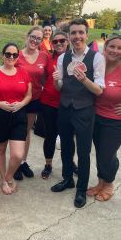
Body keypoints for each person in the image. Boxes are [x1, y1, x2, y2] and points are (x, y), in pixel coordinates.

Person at [51, 18, 105, 208]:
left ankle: (81, 188)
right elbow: (59, 88)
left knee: (83, 151)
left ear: (86, 35)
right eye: (73, 33)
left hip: (84, 110)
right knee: (66, 146)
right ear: (69, 36)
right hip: (65, 108)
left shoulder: (97, 58)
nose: (77, 36)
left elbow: (99, 90)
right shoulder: (62, 58)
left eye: (80, 32)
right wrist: (56, 80)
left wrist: (84, 80)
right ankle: (68, 179)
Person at [0, 43, 32, 195]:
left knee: (17, 154)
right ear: (2, 55)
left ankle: (8, 177)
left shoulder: (23, 72)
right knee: (0, 149)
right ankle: (4, 179)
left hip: (18, 115)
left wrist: (21, 103)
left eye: (14, 55)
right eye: (8, 54)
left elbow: (29, 94)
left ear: (17, 57)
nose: (11, 57)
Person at [87, 35, 121, 202]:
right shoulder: (98, 64)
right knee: (100, 152)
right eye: (112, 47)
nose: (115, 51)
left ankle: (109, 184)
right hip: (95, 116)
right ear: (105, 47)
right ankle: (100, 182)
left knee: (107, 155)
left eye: (119, 48)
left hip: (115, 120)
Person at [40, 31, 77, 179]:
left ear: (67, 41)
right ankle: (48, 164)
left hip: (67, 104)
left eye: (62, 40)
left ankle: (70, 162)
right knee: (50, 135)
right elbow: (43, 78)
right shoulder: (49, 59)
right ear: (52, 44)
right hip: (48, 102)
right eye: (55, 41)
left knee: (67, 136)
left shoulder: (75, 59)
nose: (59, 43)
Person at [14, 26, 49, 180]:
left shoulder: (44, 56)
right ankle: (14, 163)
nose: (35, 40)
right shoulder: (17, 55)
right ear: (27, 36)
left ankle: (23, 161)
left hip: (34, 98)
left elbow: (46, 78)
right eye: (33, 37)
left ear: (42, 41)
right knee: (16, 131)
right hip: (17, 100)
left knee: (27, 131)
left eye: (38, 38)